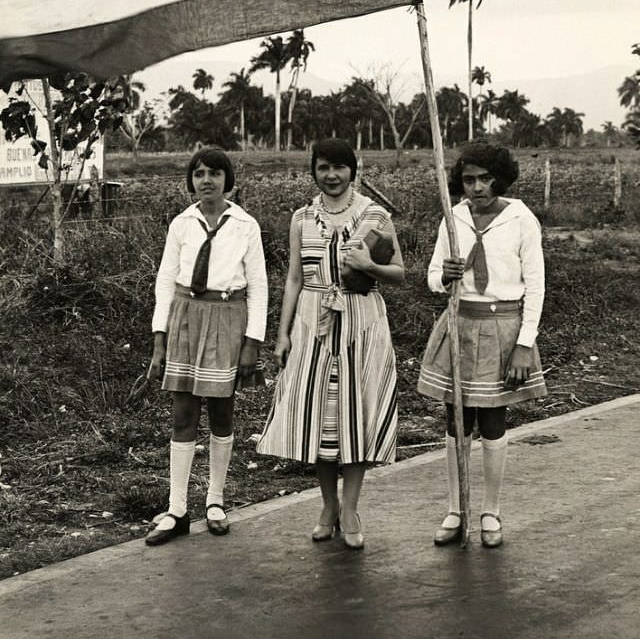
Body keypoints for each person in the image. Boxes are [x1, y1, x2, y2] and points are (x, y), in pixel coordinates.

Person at [257, 139, 404, 550]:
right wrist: (283, 334)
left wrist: (369, 266)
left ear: (353, 170)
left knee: (355, 417)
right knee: (321, 421)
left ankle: (352, 507)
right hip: (313, 323)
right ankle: (327, 506)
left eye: (340, 167)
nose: (332, 175)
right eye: (324, 167)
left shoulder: (376, 216)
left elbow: (398, 273)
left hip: (362, 323)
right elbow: (293, 278)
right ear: (314, 171)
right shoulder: (302, 218)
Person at [417, 142, 546, 548]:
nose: (476, 188)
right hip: (460, 324)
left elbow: (537, 287)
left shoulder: (521, 218)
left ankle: (490, 512)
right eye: (469, 180)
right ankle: (457, 509)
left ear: (499, 179)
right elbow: (433, 277)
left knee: (492, 420)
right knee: (457, 420)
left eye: (485, 179)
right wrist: (446, 275)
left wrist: (524, 344)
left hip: (502, 326)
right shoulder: (452, 217)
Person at [145, 148, 268, 546]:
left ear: (227, 180)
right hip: (185, 318)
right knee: (183, 414)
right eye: (199, 174)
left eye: (215, 173)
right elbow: (165, 281)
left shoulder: (245, 225)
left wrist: (252, 342)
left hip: (226, 318)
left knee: (220, 411)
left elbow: (260, 288)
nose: (207, 180)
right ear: (191, 180)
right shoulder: (182, 223)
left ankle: (215, 501)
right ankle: (177, 509)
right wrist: (159, 338)